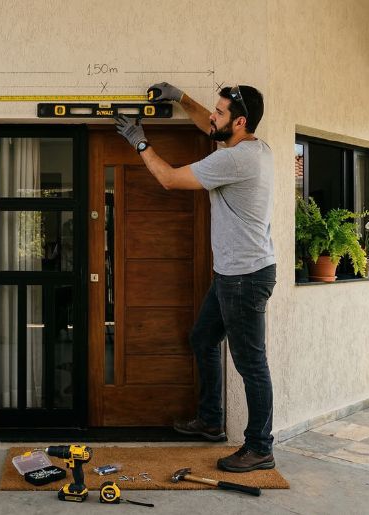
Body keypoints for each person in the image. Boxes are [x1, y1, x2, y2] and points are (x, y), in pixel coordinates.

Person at [113, 82, 276, 473]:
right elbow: (211, 125)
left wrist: (139, 142)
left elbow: (169, 179)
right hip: (233, 273)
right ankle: (211, 420)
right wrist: (181, 98)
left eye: (219, 113)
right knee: (203, 338)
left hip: (245, 277)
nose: (212, 117)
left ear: (239, 122)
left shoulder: (233, 161)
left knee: (252, 364)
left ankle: (259, 448)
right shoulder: (254, 147)